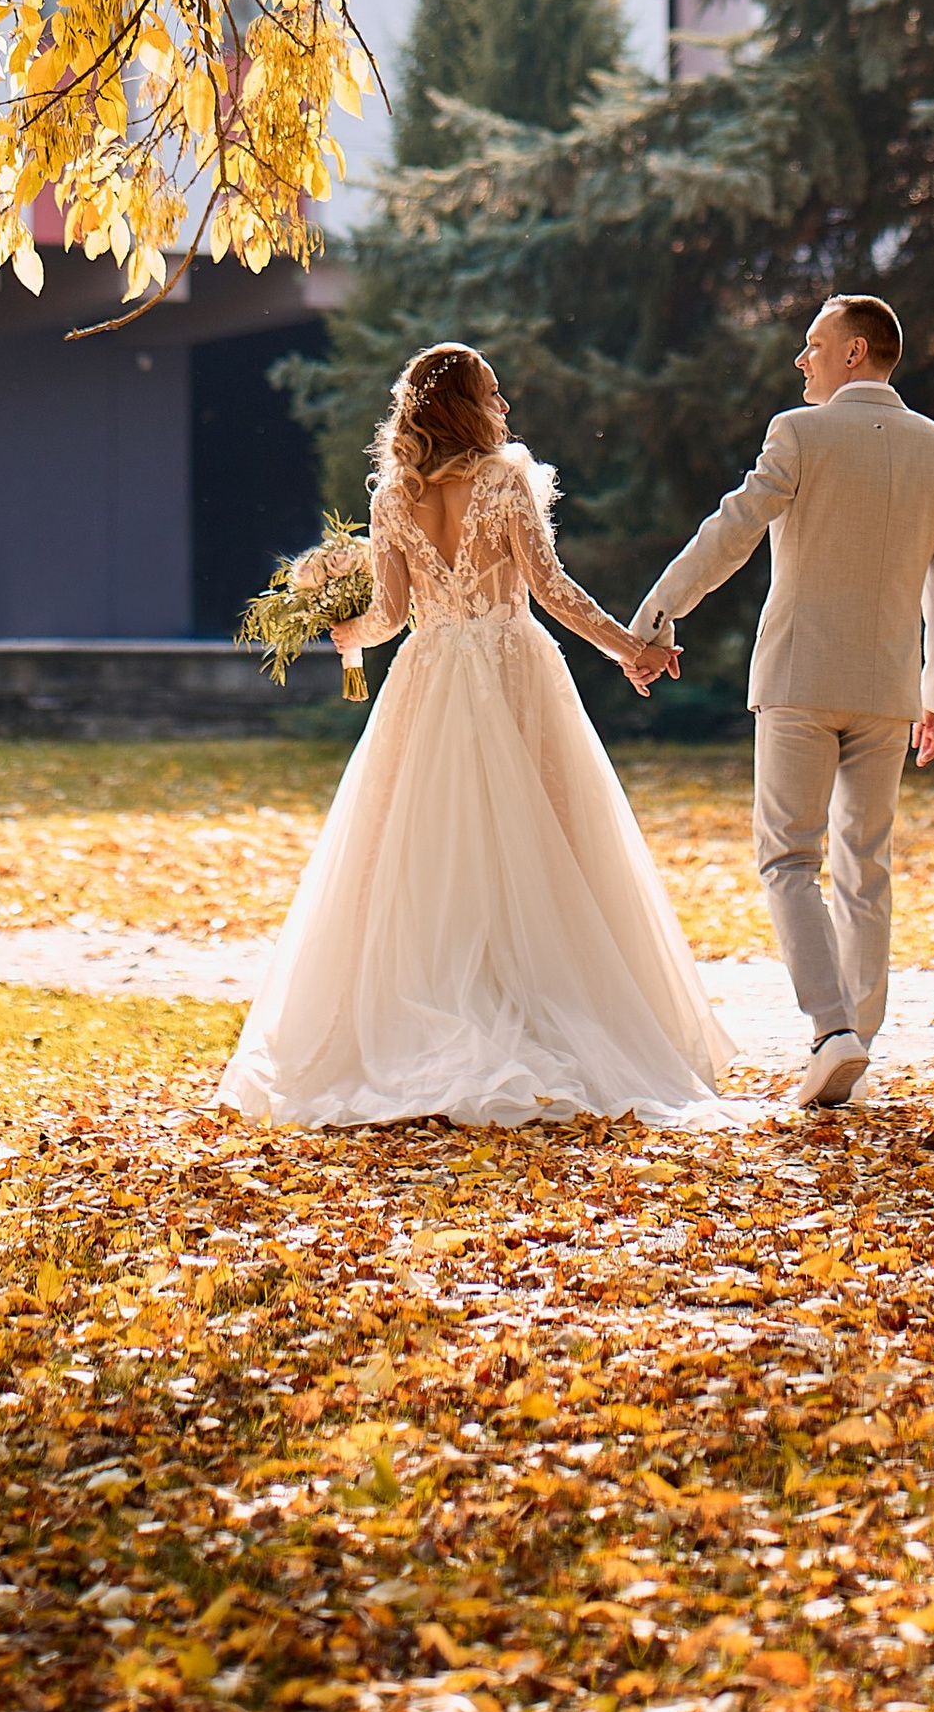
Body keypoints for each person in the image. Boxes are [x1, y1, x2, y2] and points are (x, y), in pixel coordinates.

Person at [217, 342, 730, 1128]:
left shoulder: (396, 494)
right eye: (493, 392)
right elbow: (550, 587)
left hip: (428, 675)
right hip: (509, 668)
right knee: (538, 833)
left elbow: (391, 615)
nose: (505, 406)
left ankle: (429, 1003)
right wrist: (631, 647)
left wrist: (346, 630)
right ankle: (536, 997)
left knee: (425, 842)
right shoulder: (501, 479)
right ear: (462, 402)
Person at [631, 294, 934, 1111]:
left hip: (798, 681)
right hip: (889, 688)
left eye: (813, 344)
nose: (801, 359)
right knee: (866, 865)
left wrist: (656, 617)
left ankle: (832, 1030)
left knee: (787, 858)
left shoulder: (798, 432)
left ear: (854, 352)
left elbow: (731, 530)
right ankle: (858, 1039)